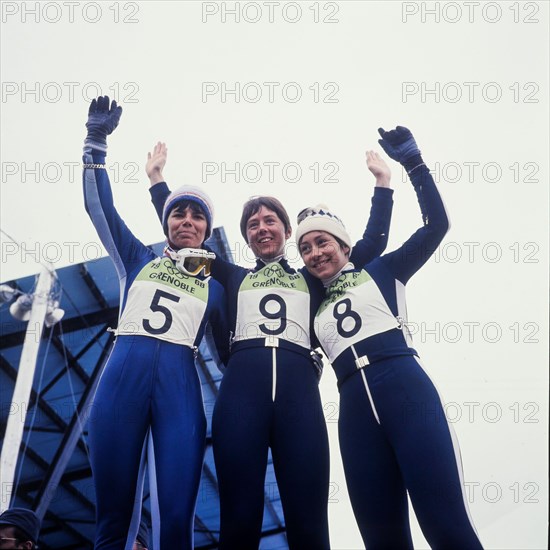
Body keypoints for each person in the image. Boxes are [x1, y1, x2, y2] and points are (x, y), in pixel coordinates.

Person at [146, 144, 393, 549]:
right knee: (240, 519)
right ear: (246, 237)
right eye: (253, 224)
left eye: (270, 220)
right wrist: (159, 183)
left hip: (301, 399)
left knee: (309, 521)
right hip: (242, 395)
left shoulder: (313, 278)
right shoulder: (228, 275)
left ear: (285, 230)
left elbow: (367, 248)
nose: (262, 228)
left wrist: (383, 185)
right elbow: (186, 241)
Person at [295, 127, 483, 549]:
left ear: (343, 244)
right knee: (383, 542)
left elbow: (437, 225)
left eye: (322, 242)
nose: (314, 253)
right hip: (355, 414)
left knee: (446, 527)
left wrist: (411, 164)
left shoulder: (383, 270)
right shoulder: (310, 304)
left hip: (406, 391)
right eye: (305, 248)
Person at [82, 97, 229, 550]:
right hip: (121, 380)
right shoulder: (135, 258)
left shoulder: (217, 283)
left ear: (207, 229)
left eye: (197, 215)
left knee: (176, 519)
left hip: (178, 392)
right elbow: (99, 209)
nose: (187, 220)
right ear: (167, 224)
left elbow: (233, 356)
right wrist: (95, 143)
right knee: (113, 519)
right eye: (178, 214)